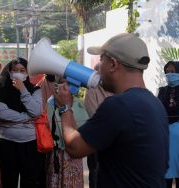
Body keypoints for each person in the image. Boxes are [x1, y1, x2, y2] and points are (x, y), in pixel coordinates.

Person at [54, 33, 169, 187]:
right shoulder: (154, 103)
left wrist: (65, 106)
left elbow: (75, 147)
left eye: (101, 60)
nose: (98, 68)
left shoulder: (118, 105)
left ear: (113, 64)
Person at [0, 57, 45, 188]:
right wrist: (27, 118)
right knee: (8, 180)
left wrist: (23, 90)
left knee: (30, 180)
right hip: (7, 143)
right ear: (10, 72)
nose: (18, 73)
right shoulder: (1, 91)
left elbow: (35, 111)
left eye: (22, 70)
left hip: (30, 144)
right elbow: (3, 114)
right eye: (15, 70)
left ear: (27, 73)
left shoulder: (35, 90)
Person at [45, 76, 87, 188]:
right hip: (59, 152)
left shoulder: (78, 103)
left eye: (68, 84)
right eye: (63, 83)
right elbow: (50, 126)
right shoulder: (51, 102)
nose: (65, 87)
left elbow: (85, 126)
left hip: (75, 152)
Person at [83, 63, 113, 188]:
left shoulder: (115, 89)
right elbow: (95, 116)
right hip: (97, 141)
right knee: (96, 174)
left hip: (114, 141)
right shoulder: (91, 91)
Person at [158, 60, 179, 188]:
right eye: (167, 72)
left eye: (173, 71)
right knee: (166, 173)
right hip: (165, 136)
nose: (169, 74)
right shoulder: (162, 91)